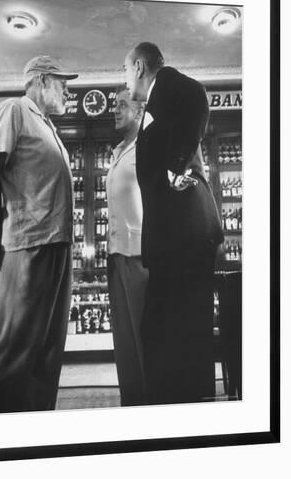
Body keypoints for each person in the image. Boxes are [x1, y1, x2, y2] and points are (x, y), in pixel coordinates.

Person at [0, 55, 78, 413]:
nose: (68, 90)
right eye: (63, 83)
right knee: (14, 353)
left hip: (56, 247)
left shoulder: (47, 125)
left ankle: (34, 433)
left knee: (46, 355)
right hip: (30, 244)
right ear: (42, 80)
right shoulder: (16, 109)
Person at [123, 42, 224, 405]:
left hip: (183, 236)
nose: (125, 79)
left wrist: (173, 168)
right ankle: (181, 407)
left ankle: (189, 413)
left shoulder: (171, 85)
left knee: (182, 333)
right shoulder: (155, 99)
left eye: (124, 71)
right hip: (173, 239)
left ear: (138, 66)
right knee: (170, 333)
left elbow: (197, 95)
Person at [106, 87, 149, 406]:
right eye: (115, 105)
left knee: (144, 339)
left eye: (122, 105)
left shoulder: (149, 147)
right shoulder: (120, 150)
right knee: (124, 341)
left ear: (139, 111)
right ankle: (132, 404)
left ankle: (150, 406)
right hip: (115, 254)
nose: (115, 110)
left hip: (140, 256)